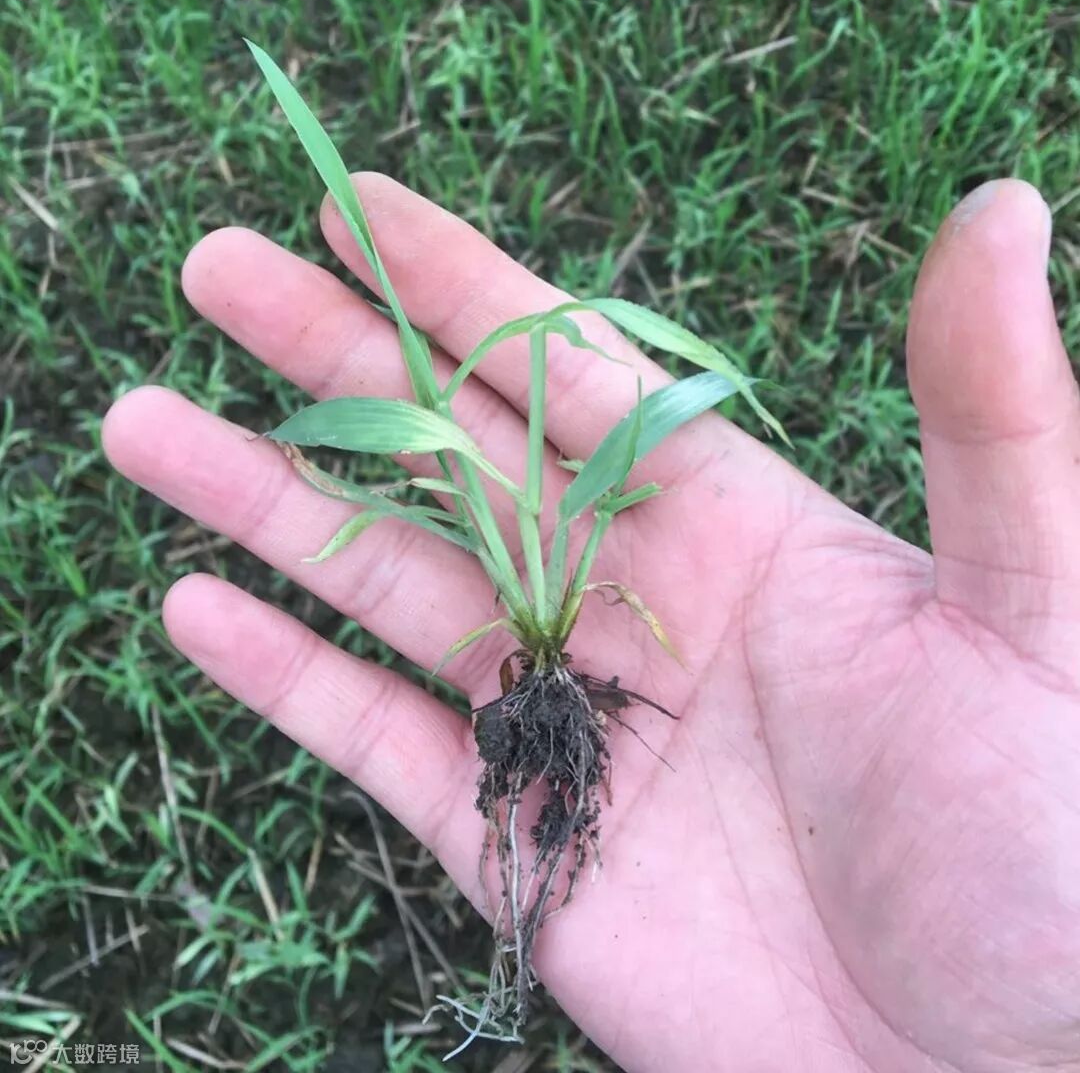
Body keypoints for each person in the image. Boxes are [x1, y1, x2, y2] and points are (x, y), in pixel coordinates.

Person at [103, 175, 1080, 1072]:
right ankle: (511, 958)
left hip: (550, 676)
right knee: (513, 813)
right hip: (551, 675)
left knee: (522, 821)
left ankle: (514, 958)